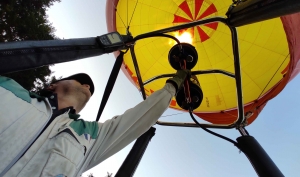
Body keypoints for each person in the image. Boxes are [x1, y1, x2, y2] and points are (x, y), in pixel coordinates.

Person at [0, 70, 189, 177]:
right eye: (80, 81)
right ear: (52, 85)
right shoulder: (9, 90)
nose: (87, 85)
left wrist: (174, 84)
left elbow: (141, 117)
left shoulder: (89, 136)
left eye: (88, 85)